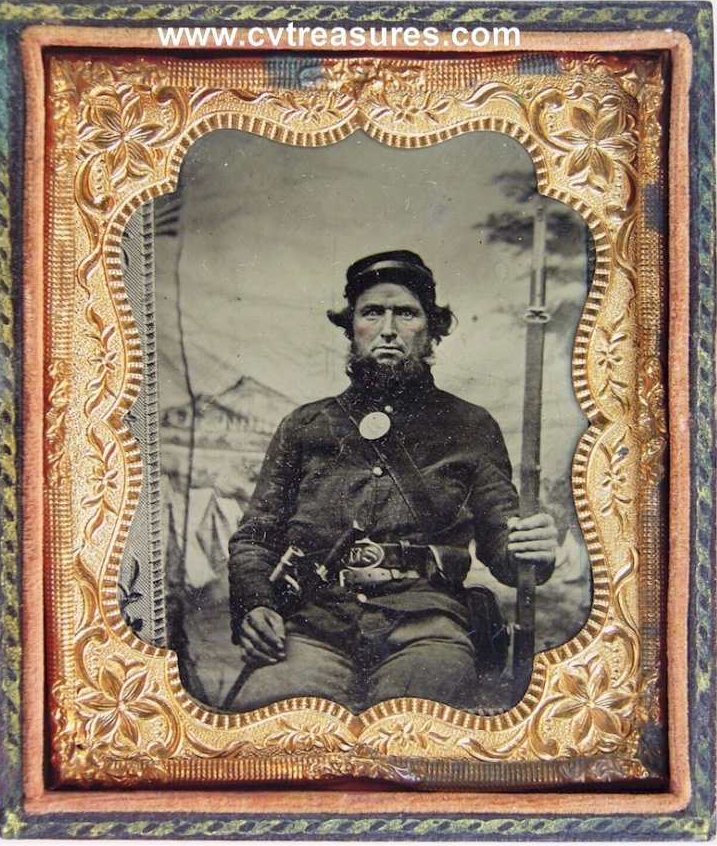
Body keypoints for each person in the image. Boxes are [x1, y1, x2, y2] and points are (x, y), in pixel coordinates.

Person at [226, 250, 557, 713]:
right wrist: (257, 604)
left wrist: (532, 547)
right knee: (282, 714)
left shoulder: (471, 427)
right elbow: (255, 537)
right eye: (371, 312)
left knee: (407, 719)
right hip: (316, 626)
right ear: (351, 328)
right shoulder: (304, 426)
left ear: (431, 330)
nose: (387, 329)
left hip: (427, 629)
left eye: (405, 313)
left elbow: (505, 551)